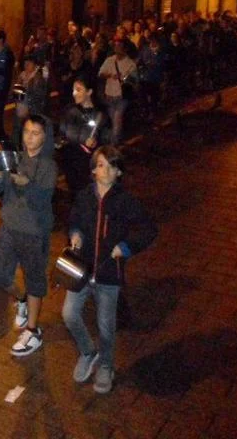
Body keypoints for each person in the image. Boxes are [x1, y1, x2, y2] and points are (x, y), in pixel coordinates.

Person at [62, 146, 157, 394]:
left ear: (119, 173)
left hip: (108, 274)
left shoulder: (125, 201)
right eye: (101, 165)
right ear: (93, 170)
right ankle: (87, 352)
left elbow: (148, 229)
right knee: (69, 314)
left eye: (112, 166)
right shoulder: (84, 196)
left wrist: (125, 247)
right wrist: (75, 234)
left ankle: (106, 365)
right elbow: (74, 221)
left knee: (106, 326)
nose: (106, 170)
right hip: (81, 269)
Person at [0, 114, 57, 357]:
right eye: (27, 131)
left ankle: (33, 330)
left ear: (45, 137)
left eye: (36, 133)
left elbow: (42, 200)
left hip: (34, 232)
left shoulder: (48, 166)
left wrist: (26, 183)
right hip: (9, 227)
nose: (30, 137)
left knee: (35, 279)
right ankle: (22, 299)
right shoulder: (14, 157)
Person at [58, 77, 106, 198]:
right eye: (73, 90)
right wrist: (83, 140)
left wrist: (96, 142)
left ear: (89, 92)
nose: (74, 93)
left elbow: (105, 138)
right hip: (71, 158)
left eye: (78, 90)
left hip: (88, 162)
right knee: (75, 191)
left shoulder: (99, 113)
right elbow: (64, 131)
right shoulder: (70, 110)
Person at [98, 41, 137, 145]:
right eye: (116, 46)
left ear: (124, 49)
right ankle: (118, 139)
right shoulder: (109, 60)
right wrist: (109, 75)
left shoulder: (130, 64)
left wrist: (124, 78)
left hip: (122, 97)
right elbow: (100, 73)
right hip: (110, 96)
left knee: (116, 120)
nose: (117, 48)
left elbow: (134, 80)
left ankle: (113, 145)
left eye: (119, 46)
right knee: (114, 121)